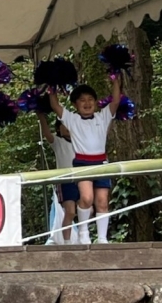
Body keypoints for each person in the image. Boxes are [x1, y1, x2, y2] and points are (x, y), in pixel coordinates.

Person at [49, 76, 121, 244]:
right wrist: (52, 86)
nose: (87, 103)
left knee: (102, 201)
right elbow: (55, 106)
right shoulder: (71, 119)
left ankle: (102, 238)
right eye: (82, 100)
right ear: (75, 104)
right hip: (82, 163)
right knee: (87, 198)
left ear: (95, 102)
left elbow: (116, 101)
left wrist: (115, 80)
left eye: (90, 99)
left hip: (102, 163)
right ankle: (83, 231)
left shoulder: (103, 116)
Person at [38, 113, 77, 243]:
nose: (67, 128)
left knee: (88, 209)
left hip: (81, 180)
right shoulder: (58, 142)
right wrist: (41, 116)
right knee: (70, 211)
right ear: (58, 128)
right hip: (65, 182)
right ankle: (67, 242)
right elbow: (47, 134)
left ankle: (84, 236)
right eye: (63, 125)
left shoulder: (80, 142)